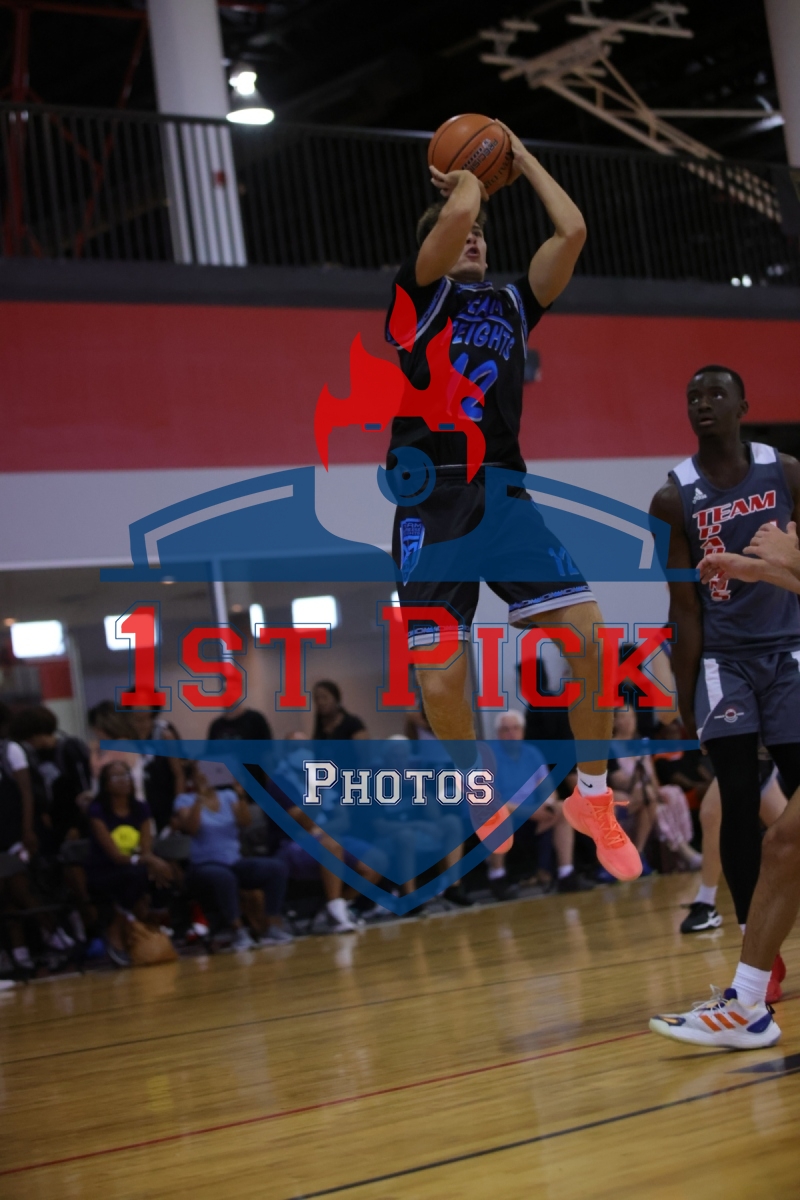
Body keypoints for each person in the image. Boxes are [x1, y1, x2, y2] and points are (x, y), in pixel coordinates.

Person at [385, 123, 639, 882]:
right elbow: (461, 211)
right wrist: (462, 175)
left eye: (479, 236)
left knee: (592, 643)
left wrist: (518, 156)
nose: (473, 238)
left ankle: (592, 796)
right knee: (440, 676)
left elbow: (573, 230)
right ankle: (476, 788)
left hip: (502, 491)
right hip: (431, 499)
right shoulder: (414, 299)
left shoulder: (512, 302)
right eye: (458, 233)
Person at [649, 365, 800, 1005]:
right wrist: (685, 698)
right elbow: (683, 609)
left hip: (789, 651)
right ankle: (754, 947)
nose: (703, 403)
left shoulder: (785, 472)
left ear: (744, 405)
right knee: (736, 796)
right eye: (693, 396)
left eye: (716, 394)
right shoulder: (672, 497)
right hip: (724, 661)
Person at [173, 762, 291, 951]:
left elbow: (245, 822)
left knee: (276, 867)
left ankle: (271, 925)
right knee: (224, 877)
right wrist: (199, 800)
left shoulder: (228, 796)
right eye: (200, 773)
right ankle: (238, 931)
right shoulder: (184, 800)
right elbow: (191, 829)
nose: (205, 776)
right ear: (192, 778)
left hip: (233, 861)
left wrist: (240, 794)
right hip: (203, 865)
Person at [489, 710, 590, 896]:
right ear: (498, 734)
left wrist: (548, 805)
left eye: (515, 728)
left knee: (563, 808)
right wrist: (530, 811)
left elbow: (548, 788)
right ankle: (497, 877)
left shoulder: (532, 753)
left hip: (535, 816)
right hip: (507, 815)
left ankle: (566, 874)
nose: (511, 734)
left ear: (523, 731)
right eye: (506, 730)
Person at [86, 761, 174, 966]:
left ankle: (152, 926)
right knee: (140, 873)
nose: (123, 781)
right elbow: (115, 856)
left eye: (126, 776)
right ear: (105, 784)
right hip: (105, 870)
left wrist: (152, 861)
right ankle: (116, 927)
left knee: (163, 874)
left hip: (136, 868)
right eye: (116, 777)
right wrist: (148, 860)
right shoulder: (97, 811)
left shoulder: (140, 808)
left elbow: (146, 848)